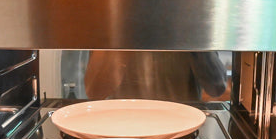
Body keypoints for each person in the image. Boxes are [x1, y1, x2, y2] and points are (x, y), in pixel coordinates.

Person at [84, 50, 228, 102]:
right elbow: (95, 91)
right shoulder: (114, 23)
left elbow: (216, 87)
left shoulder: (186, 22)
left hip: (181, 133)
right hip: (126, 133)